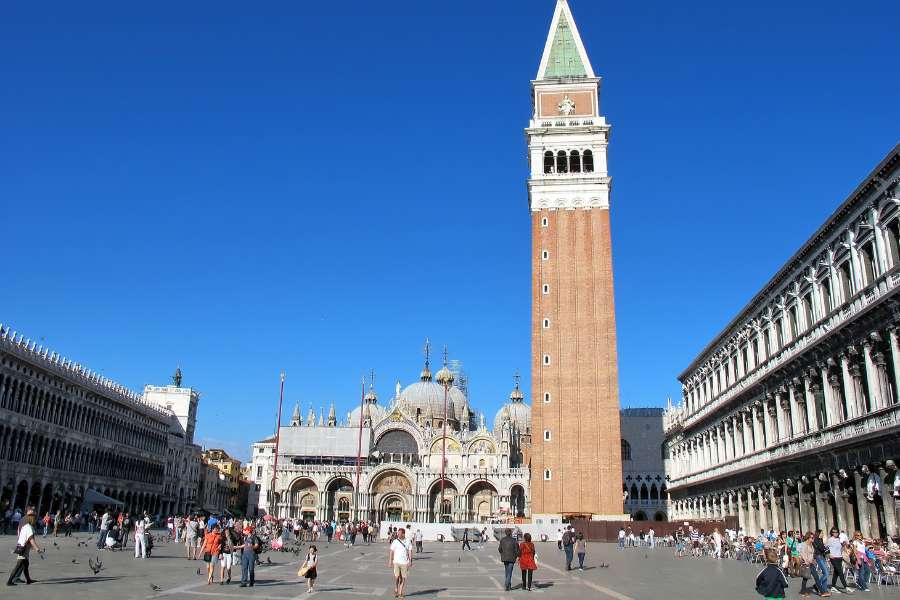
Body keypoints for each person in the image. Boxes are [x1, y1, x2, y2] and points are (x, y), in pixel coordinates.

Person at [7, 509, 41, 586]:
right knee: (18, 565)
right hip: (24, 549)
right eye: (34, 518)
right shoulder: (29, 527)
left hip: (22, 547)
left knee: (26, 565)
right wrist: (37, 549)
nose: (35, 520)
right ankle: (9, 581)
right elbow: (31, 540)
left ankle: (28, 580)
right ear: (32, 518)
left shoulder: (25, 526)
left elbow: (21, 536)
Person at [389, 527, 412, 599]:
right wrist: (390, 561)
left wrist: (410, 561)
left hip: (404, 562)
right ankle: (396, 587)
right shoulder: (395, 541)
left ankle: (400, 592)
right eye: (398, 533)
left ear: (403, 534)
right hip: (396, 562)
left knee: (403, 578)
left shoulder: (408, 541)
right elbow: (391, 551)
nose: (398, 534)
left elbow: (410, 551)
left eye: (399, 533)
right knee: (397, 577)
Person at [812, 530, 831, 597]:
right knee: (826, 573)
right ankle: (817, 585)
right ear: (819, 533)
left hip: (822, 557)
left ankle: (824, 590)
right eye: (822, 533)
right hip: (819, 557)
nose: (823, 534)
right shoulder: (816, 540)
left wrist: (826, 548)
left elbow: (825, 550)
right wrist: (826, 546)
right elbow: (822, 549)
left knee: (825, 573)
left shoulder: (820, 540)